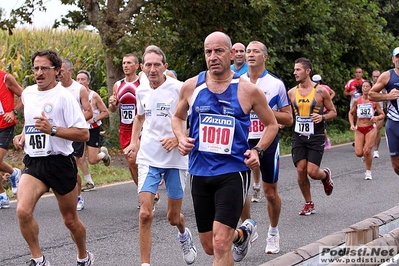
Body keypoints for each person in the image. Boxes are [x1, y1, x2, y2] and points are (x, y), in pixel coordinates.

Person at [172, 31, 279, 265]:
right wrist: (181, 137)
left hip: (232, 172)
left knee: (221, 244)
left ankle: (235, 236)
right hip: (199, 172)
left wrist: (257, 150)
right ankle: (242, 234)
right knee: (210, 246)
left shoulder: (247, 90)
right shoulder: (192, 86)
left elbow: (271, 124)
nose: (213, 56)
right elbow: (178, 117)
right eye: (208, 52)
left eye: (219, 51)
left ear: (231, 54)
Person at [13, 49, 94, 266]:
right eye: (36, 68)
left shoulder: (65, 98)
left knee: (70, 220)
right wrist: (22, 136)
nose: (39, 73)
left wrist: (53, 130)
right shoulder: (28, 93)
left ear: (56, 71)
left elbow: (83, 133)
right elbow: (30, 121)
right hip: (35, 162)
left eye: (44, 68)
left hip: (60, 162)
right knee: (22, 210)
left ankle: (84, 256)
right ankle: (38, 260)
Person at [123, 45, 197, 266]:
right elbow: (139, 117)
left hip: (176, 158)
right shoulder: (141, 90)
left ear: (165, 66)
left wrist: (178, 139)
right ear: (142, 68)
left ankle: (184, 234)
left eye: (157, 65)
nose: (153, 69)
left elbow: (196, 120)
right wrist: (134, 142)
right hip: (149, 156)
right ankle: (145, 264)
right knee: (145, 213)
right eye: (148, 65)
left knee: (173, 217)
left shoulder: (179, 88)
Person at [240, 41, 293, 254]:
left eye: (256, 52)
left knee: (270, 193)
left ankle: (273, 232)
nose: (251, 55)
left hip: (267, 142)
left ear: (265, 57)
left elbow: (288, 118)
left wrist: (264, 112)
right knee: (238, 190)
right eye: (248, 52)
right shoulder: (237, 81)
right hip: (242, 142)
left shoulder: (275, 84)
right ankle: (248, 228)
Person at [288, 57, 336, 216]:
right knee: (301, 170)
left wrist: (322, 117)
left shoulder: (321, 91)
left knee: (313, 172)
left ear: (307, 71)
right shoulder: (291, 92)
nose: (295, 73)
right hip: (298, 136)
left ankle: (325, 175)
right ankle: (309, 203)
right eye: (294, 70)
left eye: (298, 69)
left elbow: (333, 112)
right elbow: (288, 114)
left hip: (315, 135)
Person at [58, 58, 93, 211]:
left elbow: (89, 112)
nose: (59, 74)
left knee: (73, 167)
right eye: (57, 71)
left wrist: (74, 123)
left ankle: (78, 197)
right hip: (58, 134)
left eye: (62, 71)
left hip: (75, 133)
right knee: (63, 168)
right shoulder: (55, 88)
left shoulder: (79, 89)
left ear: (70, 71)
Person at [109, 54, 142, 206]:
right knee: (131, 164)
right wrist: (113, 104)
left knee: (133, 159)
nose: (125, 66)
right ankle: (142, 191)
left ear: (136, 65)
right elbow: (113, 109)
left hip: (141, 128)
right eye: (123, 63)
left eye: (129, 63)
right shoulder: (118, 85)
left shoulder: (142, 83)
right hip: (125, 128)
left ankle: (151, 194)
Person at [76, 70, 110, 191]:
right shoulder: (73, 94)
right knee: (79, 158)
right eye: (78, 79)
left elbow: (105, 111)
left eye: (83, 79)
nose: (80, 81)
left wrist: (94, 119)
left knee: (92, 160)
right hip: (79, 129)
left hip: (93, 129)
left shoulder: (94, 96)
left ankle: (103, 155)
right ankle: (89, 182)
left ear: (88, 81)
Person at [369, 47, 399, 177]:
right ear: (393, 59)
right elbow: (371, 94)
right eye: (397, 56)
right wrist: (388, 97)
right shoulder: (387, 75)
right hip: (394, 124)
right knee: (396, 165)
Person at [349, 80, 385, 180]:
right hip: (359, 129)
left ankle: (368, 172)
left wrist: (376, 118)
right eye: (363, 86)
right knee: (359, 153)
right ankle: (364, 156)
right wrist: (352, 124)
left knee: (367, 151)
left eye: (367, 86)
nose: (365, 88)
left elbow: (382, 114)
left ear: (370, 88)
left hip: (370, 128)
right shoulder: (357, 101)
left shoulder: (375, 102)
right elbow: (351, 113)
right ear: (362, 88)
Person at [0, 69, 23, 208]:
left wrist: (13, 111)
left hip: (5, 126)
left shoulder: (5, 78)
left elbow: (24, 95)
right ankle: (13, 174)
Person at [312, 74, 336, 150]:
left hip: (324, 109)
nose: (317, 83)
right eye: (315, 82)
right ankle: (315, 141)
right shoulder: (311, 88)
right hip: (314, 110)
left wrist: (328, 100)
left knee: (322, 127)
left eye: (318, 82)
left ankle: (326, 140)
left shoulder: (324, 87)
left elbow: (333, 93)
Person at [371, 70, 384, 158]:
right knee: (369, 130)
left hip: (380, 110)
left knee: (377, 130)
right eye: (374, 76)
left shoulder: (383, 85)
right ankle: (368, 148)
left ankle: (376, 150)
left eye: (377, 77)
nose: (376, 78)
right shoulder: (368, 85)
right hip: (370, 110)